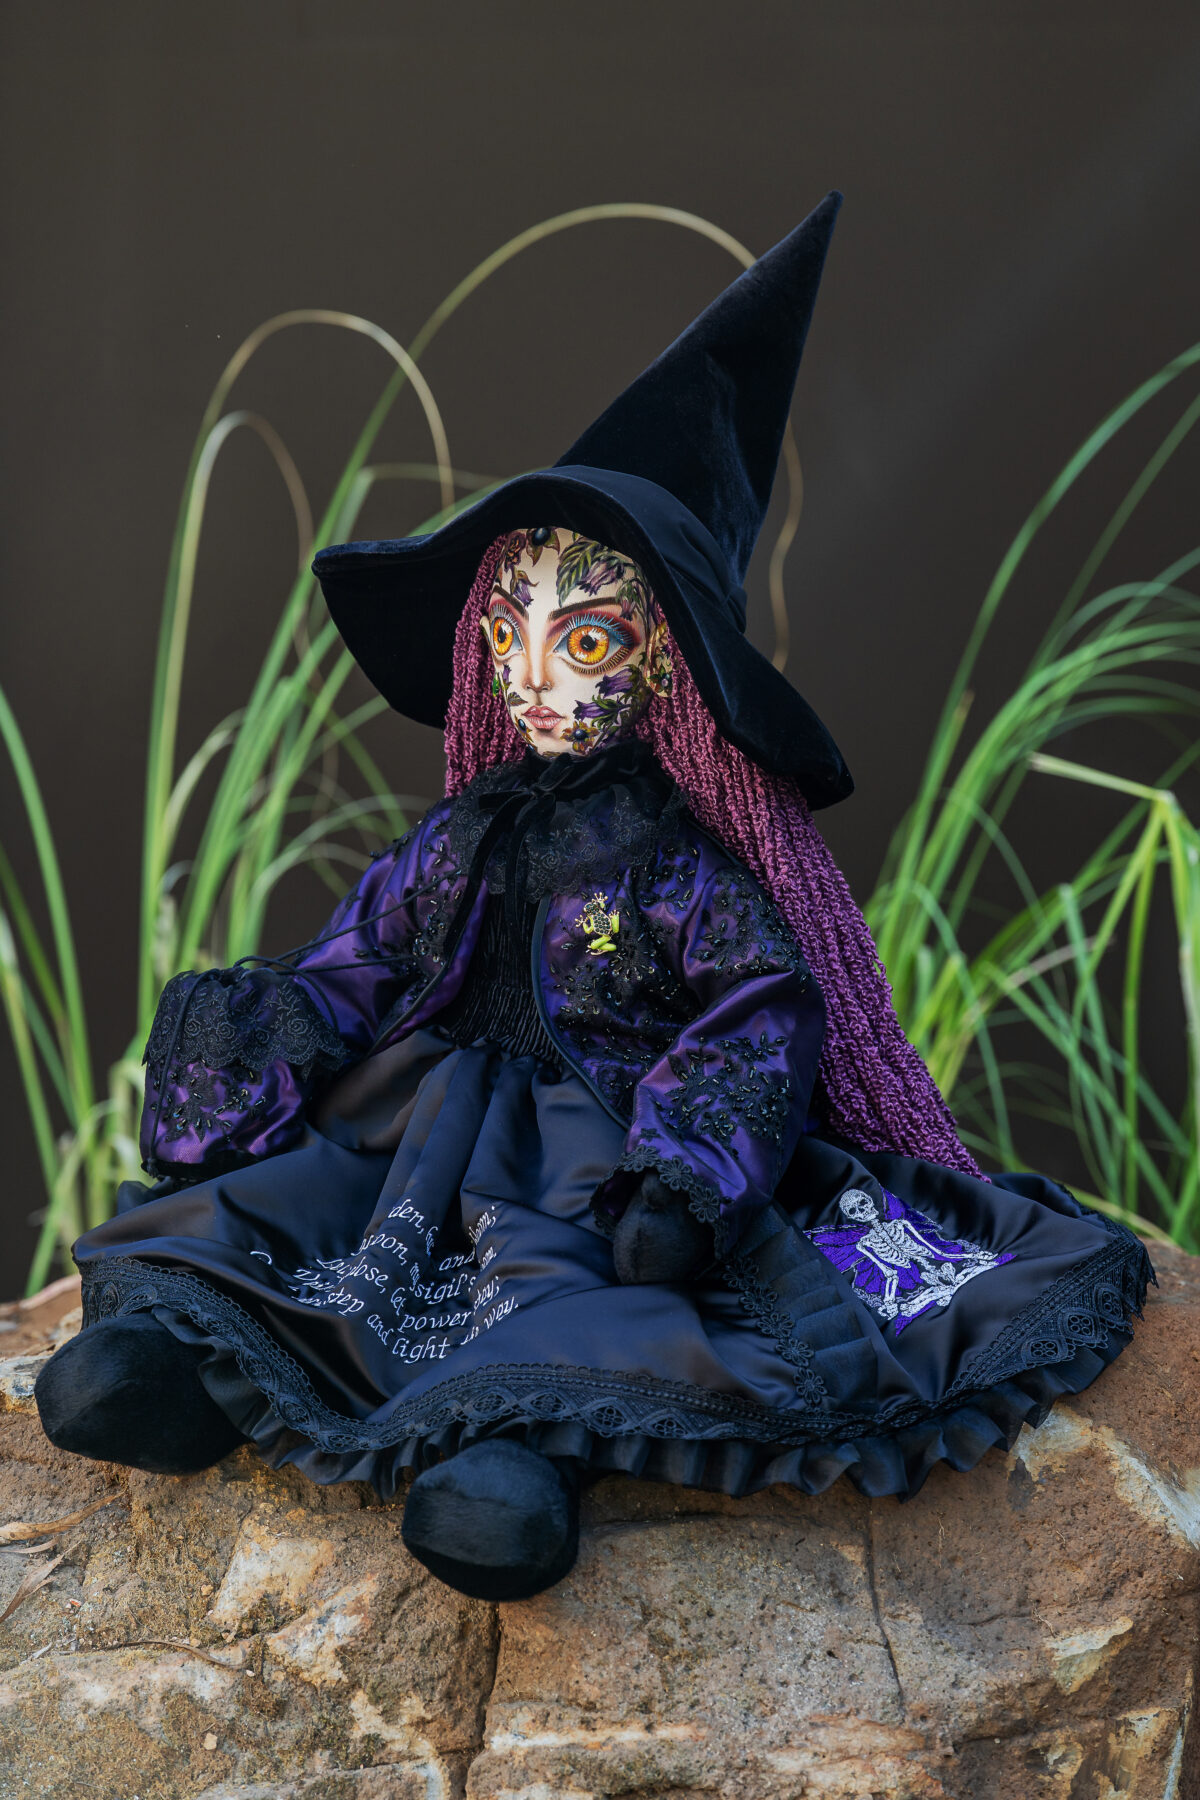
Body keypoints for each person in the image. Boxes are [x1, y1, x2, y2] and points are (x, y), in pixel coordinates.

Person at [36, 193, 1151, 1603]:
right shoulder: (464, 837)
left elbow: (758, 1006)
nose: (533, 679)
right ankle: (187, 1367)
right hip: (414, 1136)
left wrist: (687, 1166)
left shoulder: (679, 868)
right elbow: (363, 959)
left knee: (580, 1307)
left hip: (596, 1152)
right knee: (295, 1231)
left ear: (667, 665)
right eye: (508, 634)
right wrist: (266, 1040)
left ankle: (518, 1458)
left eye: (585, 640)